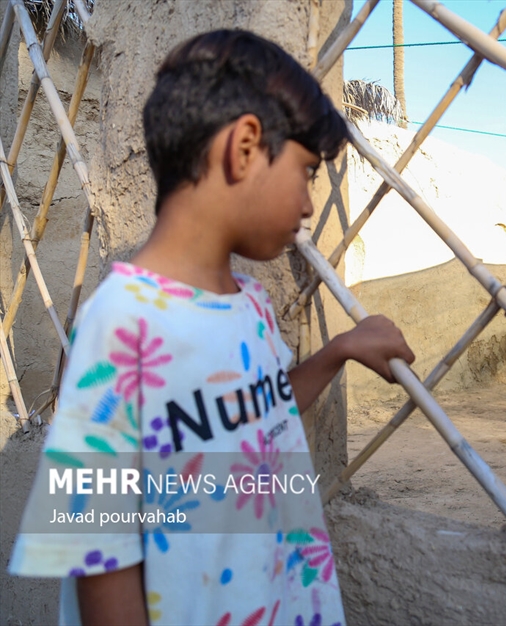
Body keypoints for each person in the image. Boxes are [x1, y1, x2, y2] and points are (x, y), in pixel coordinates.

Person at [8, 29, 415, 626]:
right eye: (305, 172)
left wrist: (340, 352)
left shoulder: (247, 304)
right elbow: (100, 550)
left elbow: (260, 413)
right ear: (245, 147)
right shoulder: (123, 327)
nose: (308, 205)